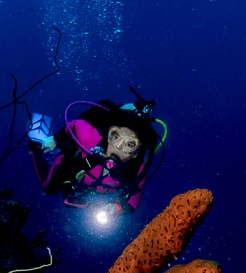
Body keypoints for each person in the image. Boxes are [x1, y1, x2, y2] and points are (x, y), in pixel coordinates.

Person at [27, 92, 164, 216]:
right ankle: (36, 147)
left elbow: (133, 201)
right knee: (48, 188)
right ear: (108, 135)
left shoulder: (136, 170)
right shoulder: (91, 139)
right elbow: (76, 124)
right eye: (115, 136)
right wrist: (56, 139)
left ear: (136, 153)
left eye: (130, 144)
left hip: (87, 185)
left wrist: (117, 208)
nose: (119, 147)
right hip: (70, 165)